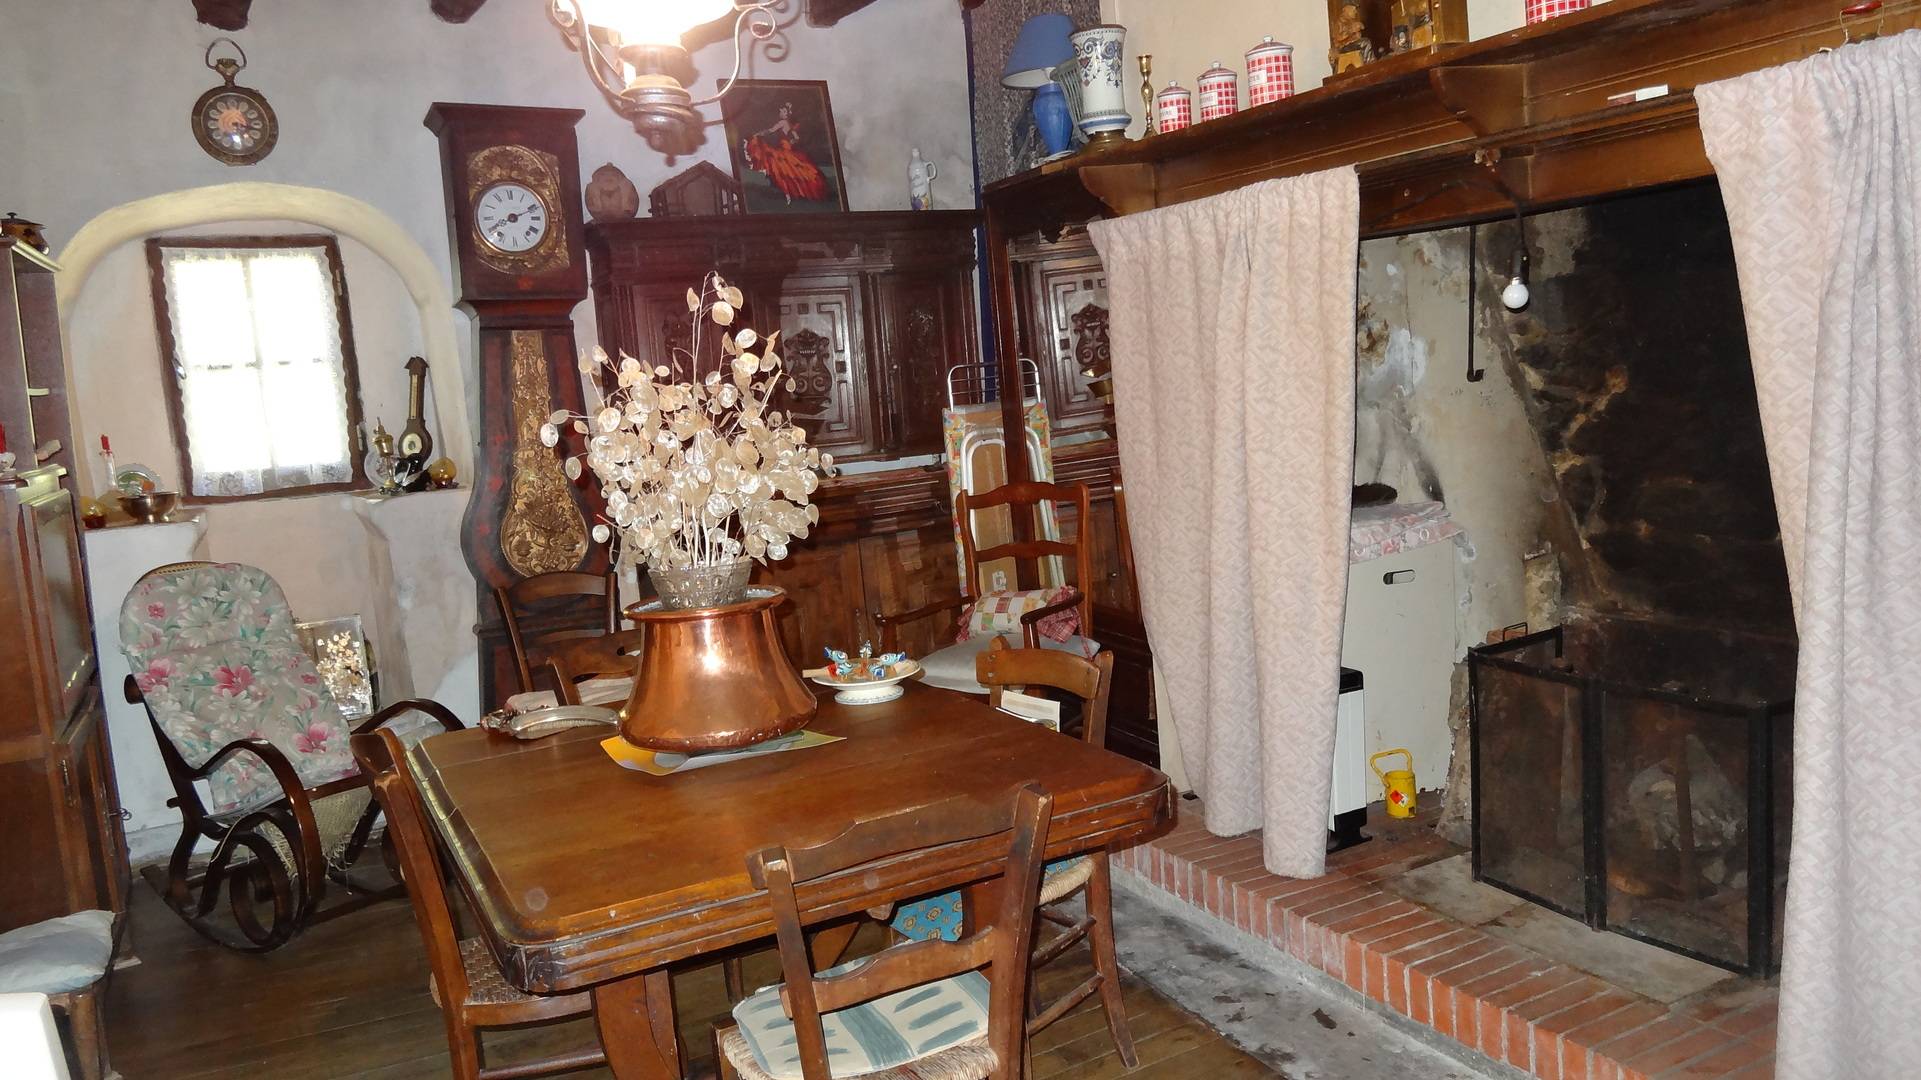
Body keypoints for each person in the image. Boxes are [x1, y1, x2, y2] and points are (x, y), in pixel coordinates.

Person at [741, 102, 829, 205]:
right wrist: (790, 142)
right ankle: (790, 195)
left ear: (785, 113)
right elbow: (796, 138)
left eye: (782, 111)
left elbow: (770, 130)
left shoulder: (782, 122)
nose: (780, 112)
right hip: (787, 148)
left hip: (784, 150)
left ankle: (788, 195)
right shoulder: (789, 124)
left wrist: (757, 134)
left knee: (783, 171)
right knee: (789, 172)